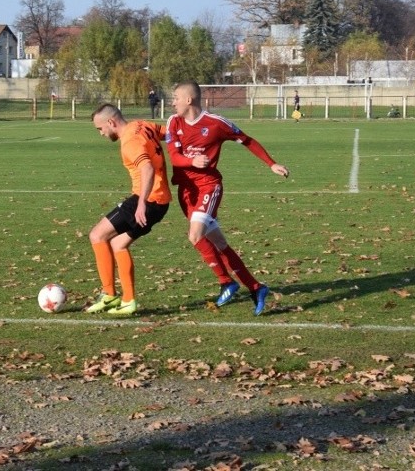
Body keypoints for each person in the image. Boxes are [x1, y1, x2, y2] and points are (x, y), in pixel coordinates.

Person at [166, 81, 289, 315]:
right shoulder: (174, 121)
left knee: (195, 234)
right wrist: (192, 161)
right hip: (186, 190)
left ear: (188, 100)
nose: (172, 102)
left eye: (175, 98)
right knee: (218, 243)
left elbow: (247, 140)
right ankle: (256, 287)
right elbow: (174, 157)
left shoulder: (216, 124)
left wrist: (271, 164)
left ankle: (226, 281)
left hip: (209, 187)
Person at [86, 103, 171, 315]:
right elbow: (170, 134)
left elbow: (147, 168)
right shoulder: (142, 125)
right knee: (118, 243)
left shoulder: (130, 141)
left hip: (148, 200)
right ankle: (127, 300)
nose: (101, 134)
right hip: (160, 201)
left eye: (100, 129)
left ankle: (109, 295)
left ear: (111, 122)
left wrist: (141, 203)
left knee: (97, 235)